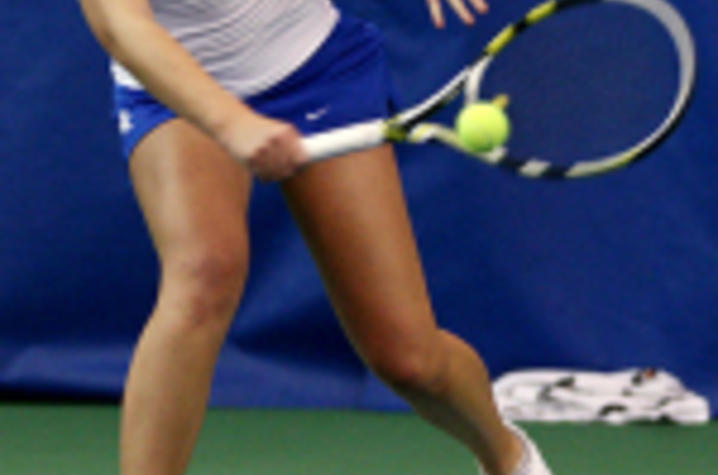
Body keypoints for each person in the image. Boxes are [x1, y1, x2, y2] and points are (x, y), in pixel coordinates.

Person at [78, 1, 552, 474]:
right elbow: (121, 27)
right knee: (204, 272)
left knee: (409, 360)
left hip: (317, 67)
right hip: (173, 88)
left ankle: (510, 460)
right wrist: (229, 120)